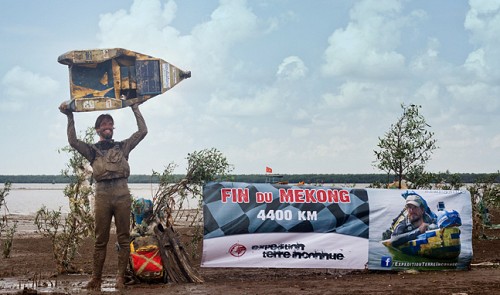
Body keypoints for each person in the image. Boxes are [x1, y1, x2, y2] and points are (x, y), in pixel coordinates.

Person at [59, 102, 147, 290]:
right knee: (100, 239)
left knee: (124, 238)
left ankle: (120, 278)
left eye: (110, 123)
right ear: (98, 129)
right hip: (102, 195)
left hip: (122, 194)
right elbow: (73, 141)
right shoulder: (92, 150)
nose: (107, 126)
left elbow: (143, 131)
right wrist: (69, 116)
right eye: (104, 124)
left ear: (113, 128)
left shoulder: (123, 146)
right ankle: (96, 278)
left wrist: (135, 107)